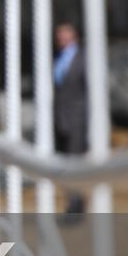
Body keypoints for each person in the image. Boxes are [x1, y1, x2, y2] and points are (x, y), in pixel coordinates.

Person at [53, 22, 88, 213]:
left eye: (65, 36)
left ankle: (76, 204)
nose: (62, 40)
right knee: (65, 163)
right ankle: (71, 201)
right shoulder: (58, 57)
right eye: (60, 37)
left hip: (77, 118)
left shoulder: (83, 58)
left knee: (75, 162)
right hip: (61, 118)